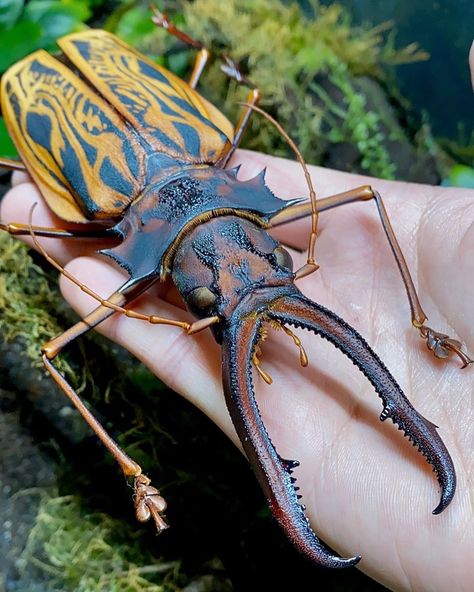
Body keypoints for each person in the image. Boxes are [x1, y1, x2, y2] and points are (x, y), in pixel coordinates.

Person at [1, 45, 472, 592]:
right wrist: (136, 474)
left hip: (108, 105)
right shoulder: (191, 152)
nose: (249, 290)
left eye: (276, 263)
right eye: (276, 266)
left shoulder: (127, 186)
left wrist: (422, 322)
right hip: (72, 92)